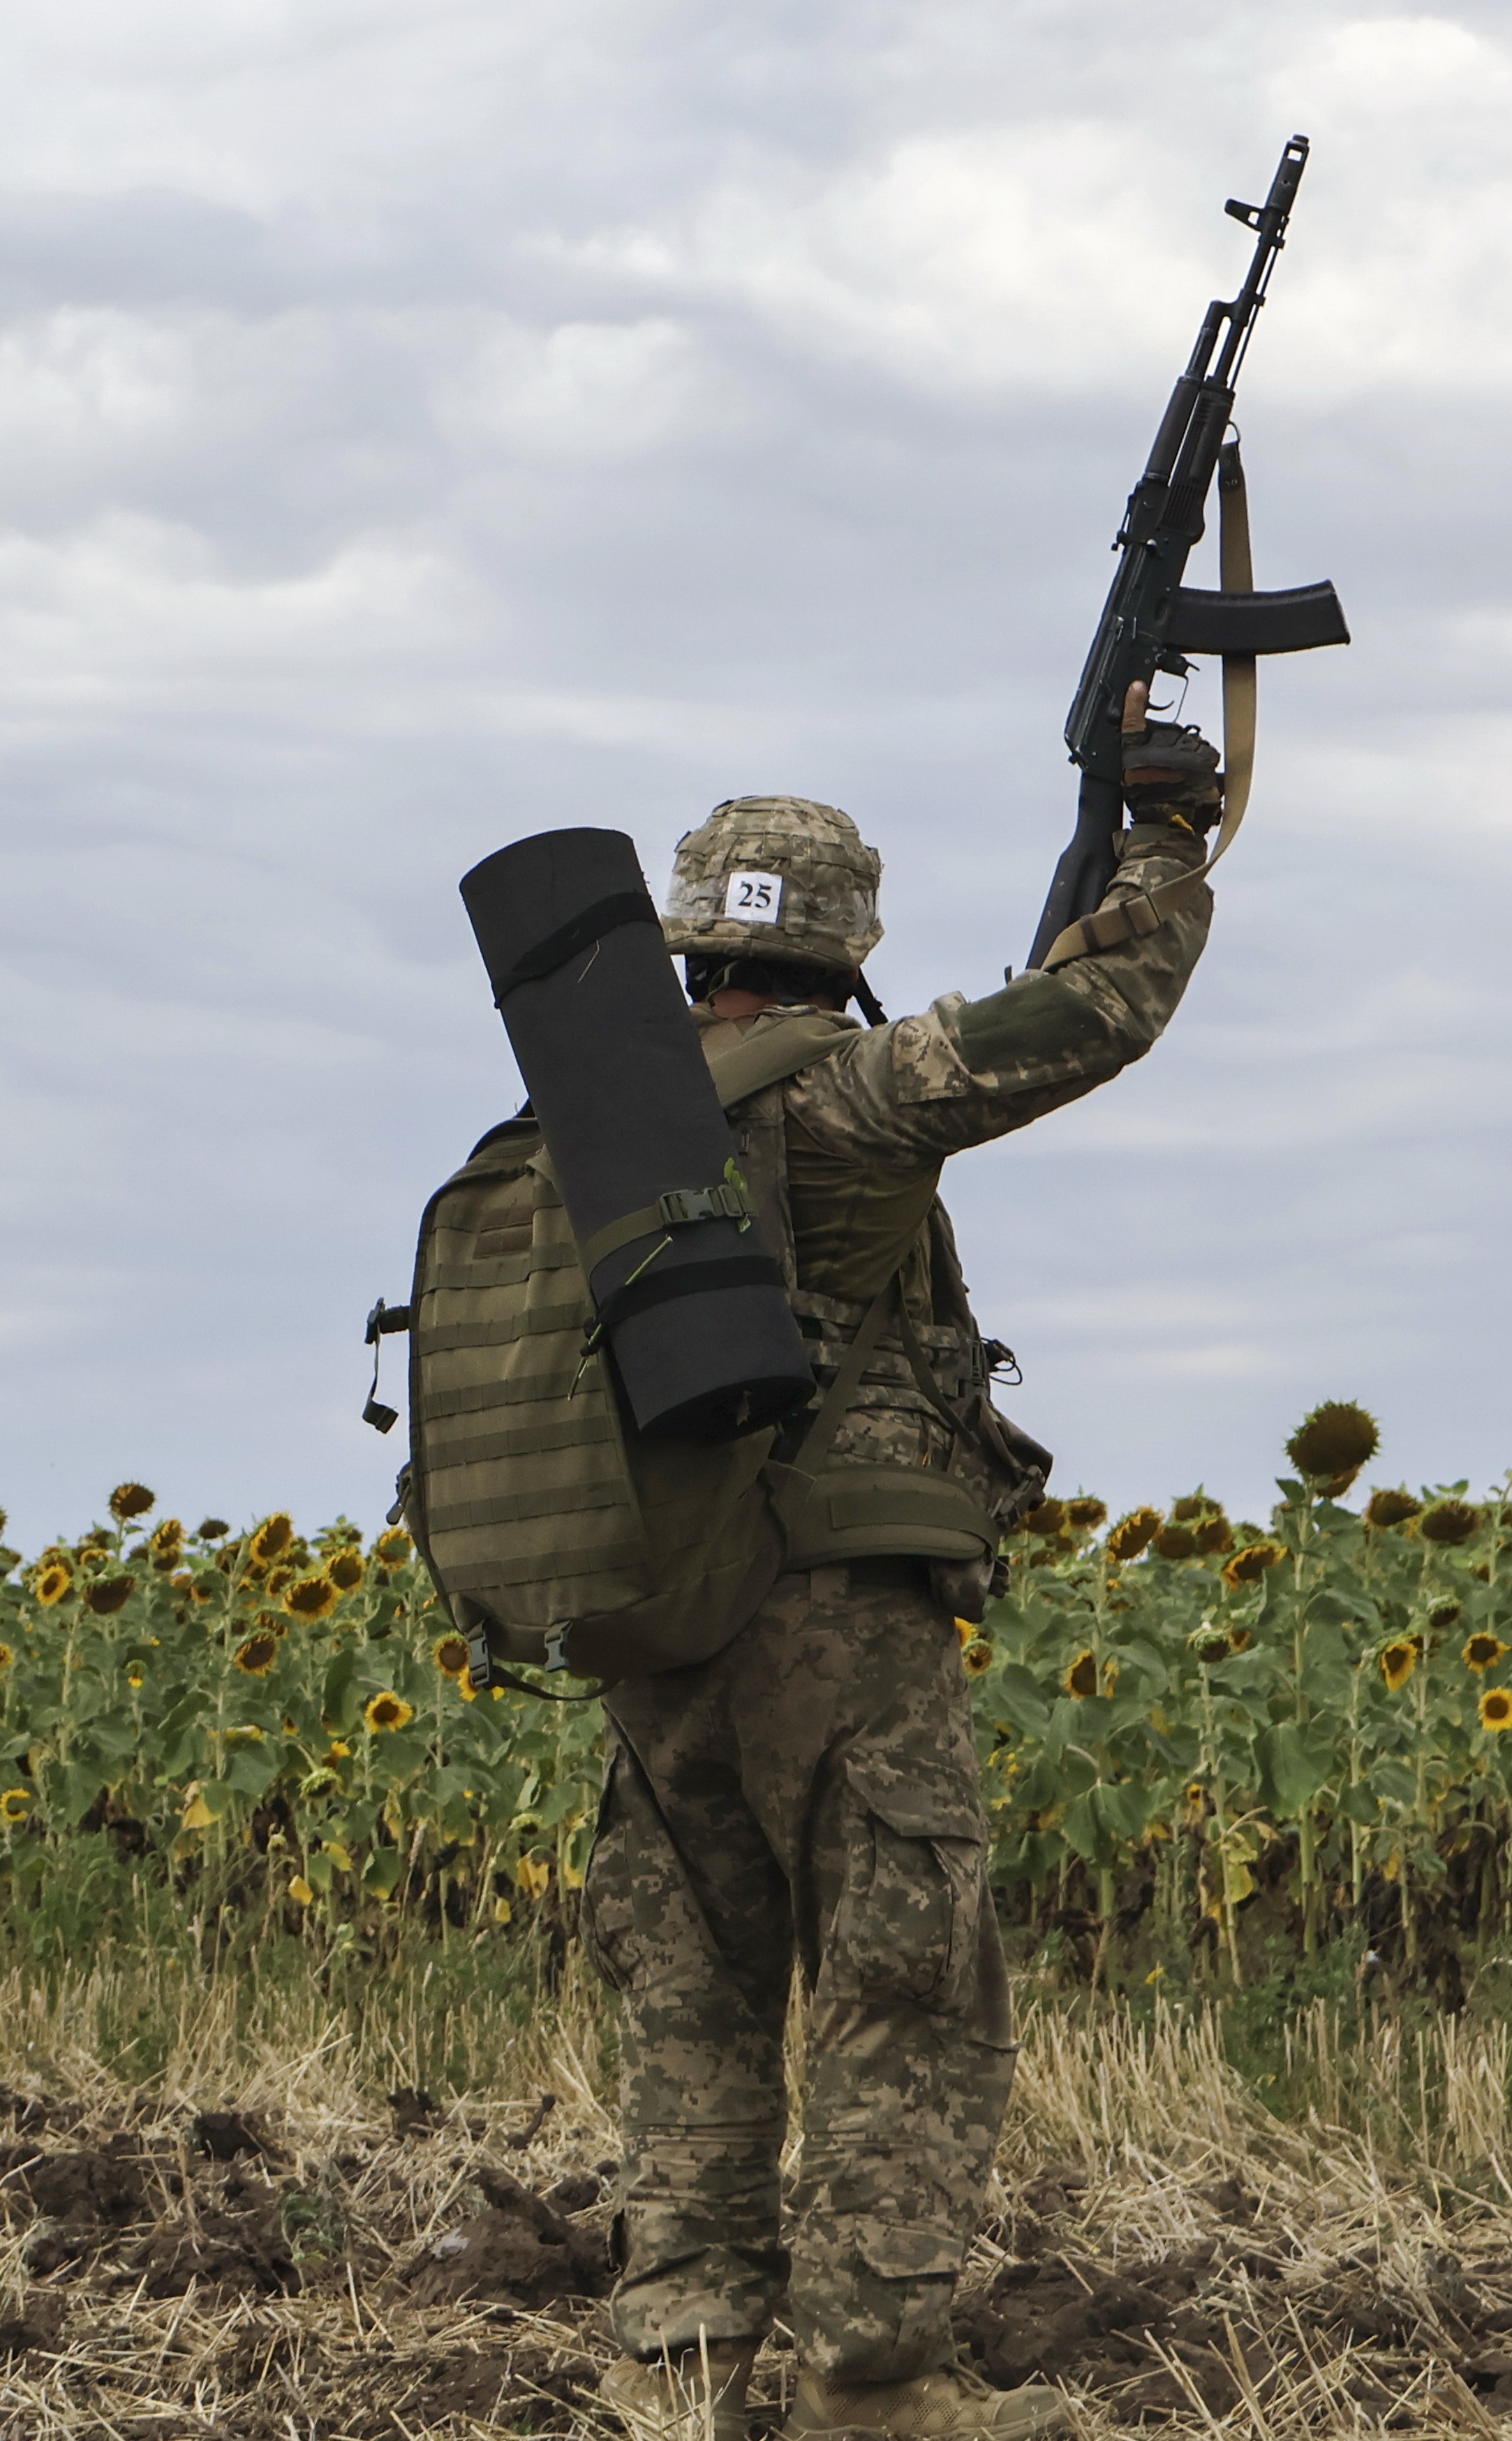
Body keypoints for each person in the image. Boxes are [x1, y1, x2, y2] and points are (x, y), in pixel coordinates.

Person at [589, 734, 1223, 2441]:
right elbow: (1091, 1018)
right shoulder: (852, 1095)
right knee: (899, 1975)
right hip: (831, 1609)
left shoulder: (592, 1130)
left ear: (685, 946)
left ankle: (689, 2353)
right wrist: (1162, 846)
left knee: (695, 1974)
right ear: (843, 950)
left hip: (649, 1613)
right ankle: (872, 2384)